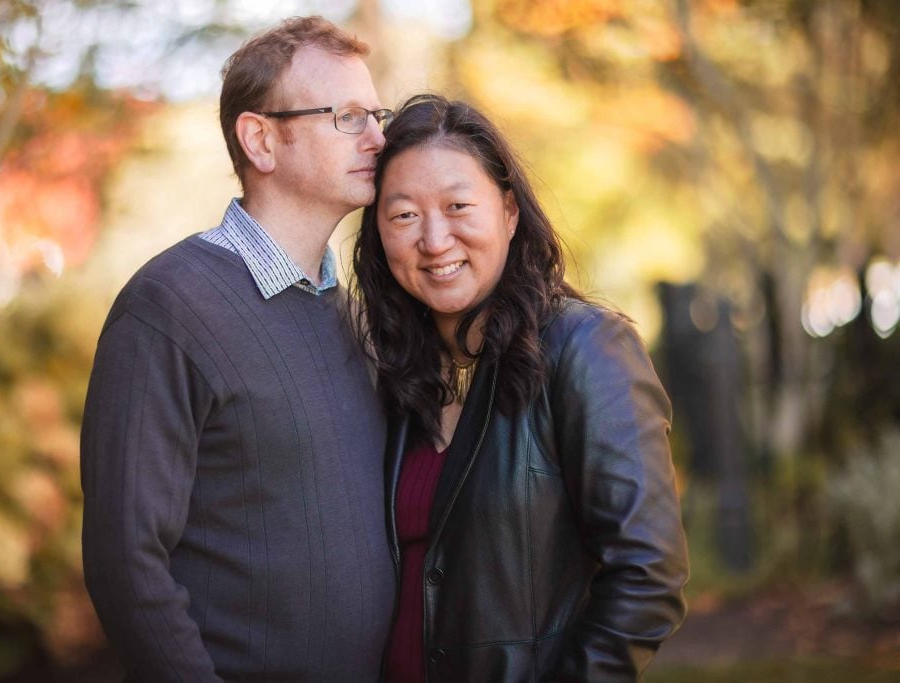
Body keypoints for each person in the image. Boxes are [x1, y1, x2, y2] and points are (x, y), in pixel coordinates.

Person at [81, 17, 396, 682]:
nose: (379, 137)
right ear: (261, 140)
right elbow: (125, 559)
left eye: (377, 113)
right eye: (347, 116)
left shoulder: (352, 318)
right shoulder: (169, 306)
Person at [352, 94, 689, 682]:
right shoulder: (395, 375)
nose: (434, 240)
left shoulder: (585, 347)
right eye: (403, 215)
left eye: (458, 206)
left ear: (509, 212)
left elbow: (648, 573)